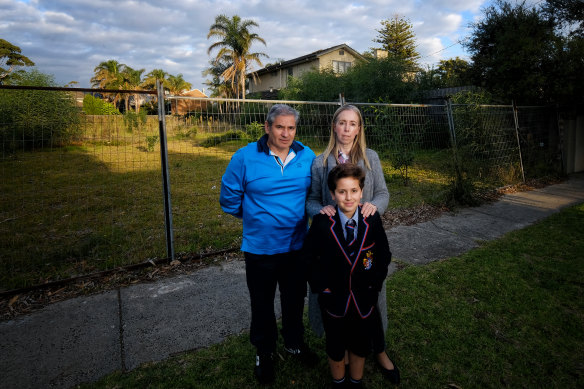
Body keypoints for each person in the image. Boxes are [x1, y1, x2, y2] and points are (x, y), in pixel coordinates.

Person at [220, 104, 317, 384]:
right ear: (267, 127)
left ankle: (294, 343)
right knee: (262, 303)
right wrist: (255, 217)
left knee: (294, 300)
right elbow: (228, 199)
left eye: (291, 128)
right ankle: (264, 351)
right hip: (260, 249)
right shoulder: (244, 157)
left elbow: (312, 193)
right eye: (279, 127)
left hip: (297, 247)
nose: (285, 133)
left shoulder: (306, 155)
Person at [306, 104, 399, 383]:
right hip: (333, 244)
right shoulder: (320, 161)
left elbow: (383, 193)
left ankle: (379, 350)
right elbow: (311, 199)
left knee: (369, 298)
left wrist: (373, 207)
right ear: (334, 126)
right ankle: (342, 351)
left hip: (363, 241)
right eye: (342, 123)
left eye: (353, 124)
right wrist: (319, 212)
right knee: (336, 298)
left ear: (359, 129)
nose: (347, 129)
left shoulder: (370, 158)